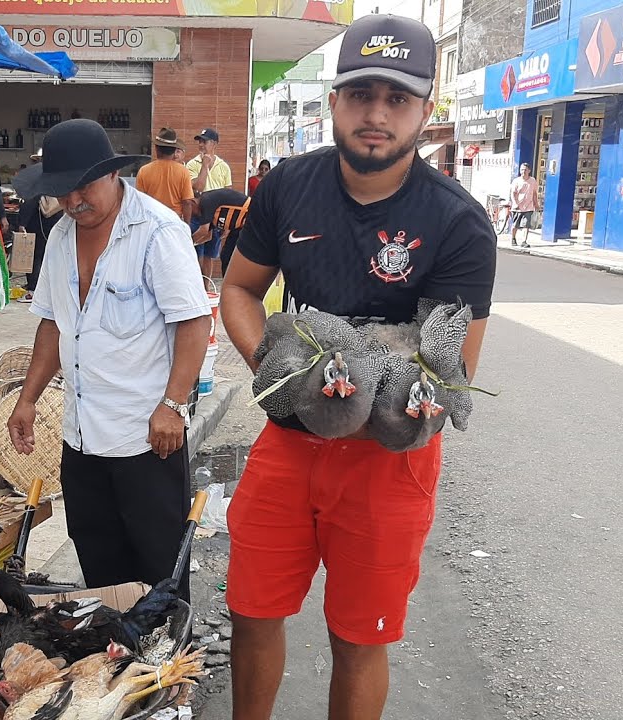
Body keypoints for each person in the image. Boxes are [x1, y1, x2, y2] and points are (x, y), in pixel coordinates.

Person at [218, 15, 496, 720]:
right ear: (334, 100)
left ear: (424, 112)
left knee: (358, 639)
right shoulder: (288, 187)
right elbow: (240, 288)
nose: (377, 114)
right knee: (251, 613)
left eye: (397, 99)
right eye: (361, 93)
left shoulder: (457, 221)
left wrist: (383, 392)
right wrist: (277, 367)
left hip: (386, 462)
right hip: (287, 443)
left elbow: (452, 363)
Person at [7, 119, 211, 599]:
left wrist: (174, 406)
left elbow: (194, 323)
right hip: (81, 436)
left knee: (160, 565)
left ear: (112, 175)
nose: (74, 201)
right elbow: (53, 323)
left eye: (84, 187)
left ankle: (164, 665)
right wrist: (28, 398)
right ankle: (113, 654)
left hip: (146, 436)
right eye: (63, 191)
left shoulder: (157, 232)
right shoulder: (60, 237)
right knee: (98, 560)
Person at [16, 149, 63, 304]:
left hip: (39, 224)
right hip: (55, 222)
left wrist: (22, 223)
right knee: (46, 256)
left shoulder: (38, 178)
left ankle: (33, 290)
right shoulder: (58, 176)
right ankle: (43, 288)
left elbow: (29, 202)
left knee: (36, 257)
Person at [187, 129, 233, 277]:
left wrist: (228, 223)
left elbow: (228, 194)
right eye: (199, 141)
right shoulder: (192, 164)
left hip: (217, 217)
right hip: (198, 215)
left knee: (209, 256)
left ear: (214, 144)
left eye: (204, 141)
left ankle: (206, 290)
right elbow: (198, 187)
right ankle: (197, 290)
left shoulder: (223, 166)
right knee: (196, 255)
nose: (201, 144)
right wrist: (204, 166)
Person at [135, 128, 196, 222]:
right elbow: (187, 202)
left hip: (152, 220)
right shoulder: (183, 171)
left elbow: (139, 201)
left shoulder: (144, 171)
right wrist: (186, 225)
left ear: (156, 149)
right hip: (175, 220)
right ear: (174, 150)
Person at [193, 187, 247, 276]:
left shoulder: (206, 201)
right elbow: (208, 236)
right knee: (226, 256)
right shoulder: (210, 208)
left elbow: (203, 230)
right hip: (238, 225)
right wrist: (194, 244)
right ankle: (228, 287)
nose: (192, 215)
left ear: (193, 202)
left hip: (249, 219)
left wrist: (187, 242)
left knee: (235, 258)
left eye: (190, 210)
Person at [508, 163, 539, 247]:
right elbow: (513, 193)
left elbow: (534, 193)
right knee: (515, 225)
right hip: (518, 207)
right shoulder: (516, 181)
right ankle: (513, 238)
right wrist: (515, 203)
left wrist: (536, 204)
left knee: (526, 224)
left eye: (525, 170)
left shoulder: (532, 181)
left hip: (529, 207)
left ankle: (524, 241)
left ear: (529, 171)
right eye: (522, 170)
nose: (523, 172)